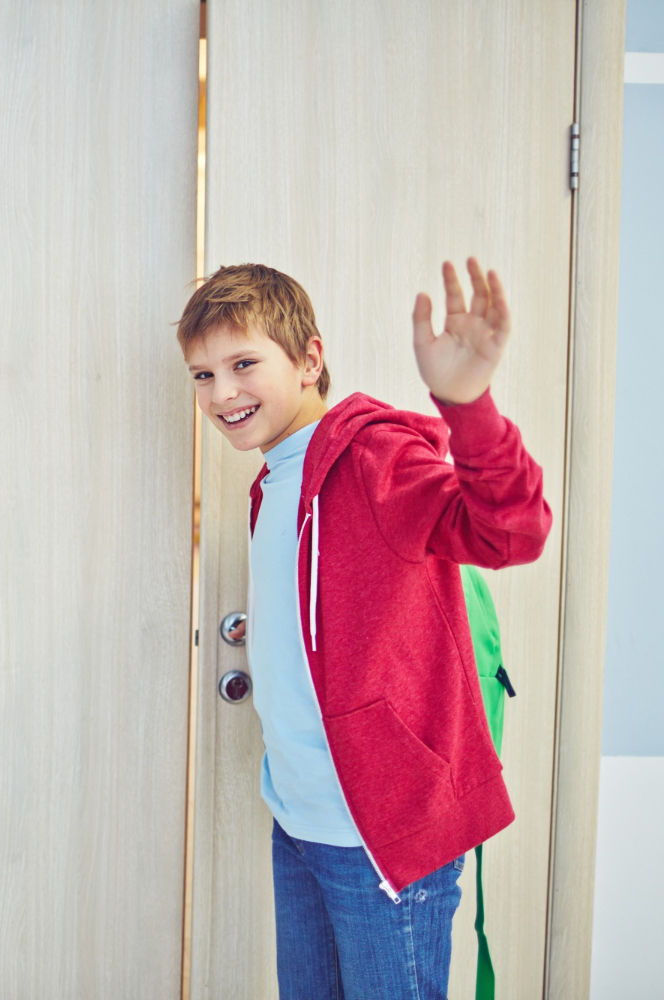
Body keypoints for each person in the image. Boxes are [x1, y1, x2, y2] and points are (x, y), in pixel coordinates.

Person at [177, 260, 551, 1000]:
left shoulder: (374, 455)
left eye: (243, 363)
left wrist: (467, 405)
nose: (221, 394)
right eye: (202, 375)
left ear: (310, 358)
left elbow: (511, 531)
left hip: (381, 838)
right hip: (301, 818)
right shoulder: (273, 478)